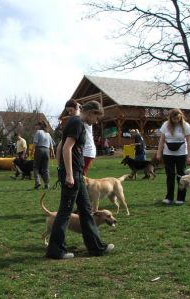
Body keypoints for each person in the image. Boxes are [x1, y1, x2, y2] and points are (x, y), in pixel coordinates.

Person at [46, 100, 114, 259]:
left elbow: (62, 147)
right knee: (65, 213)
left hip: (77, 174)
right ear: (91, 112)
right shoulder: (76, 123)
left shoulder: (77, 123)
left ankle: (96, 248)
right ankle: (56, 251)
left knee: (86, 211)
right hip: (73, 174)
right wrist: (68, 174)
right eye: (96, 117)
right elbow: (66, 148)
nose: (96, 121)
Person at [156, 108, 190, 205]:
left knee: (181, 176)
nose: (176, 120)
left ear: (181, 117)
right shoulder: (165, 125)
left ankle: (181, 198)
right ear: (170, 118)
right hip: (168, 154)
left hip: (181, 154)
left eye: (178, 118)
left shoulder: (186, 126)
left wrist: (189, 156)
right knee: (170, 176)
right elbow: (161, 140)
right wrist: (158, 153)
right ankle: (169, 198)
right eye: (174, 119)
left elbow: (189, 143)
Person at [33, 121, 54, 190]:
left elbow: (35, 143)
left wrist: (32, 151)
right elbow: (51, 145)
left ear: (40, 126)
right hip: (47, 150)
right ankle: (47, 184)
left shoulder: (38, 132)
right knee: (45, 168)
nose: (36, 126)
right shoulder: (48, 134)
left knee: (36, 167)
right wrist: (53, 153)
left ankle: (37, 182)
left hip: (39, 149)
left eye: (37, 125)